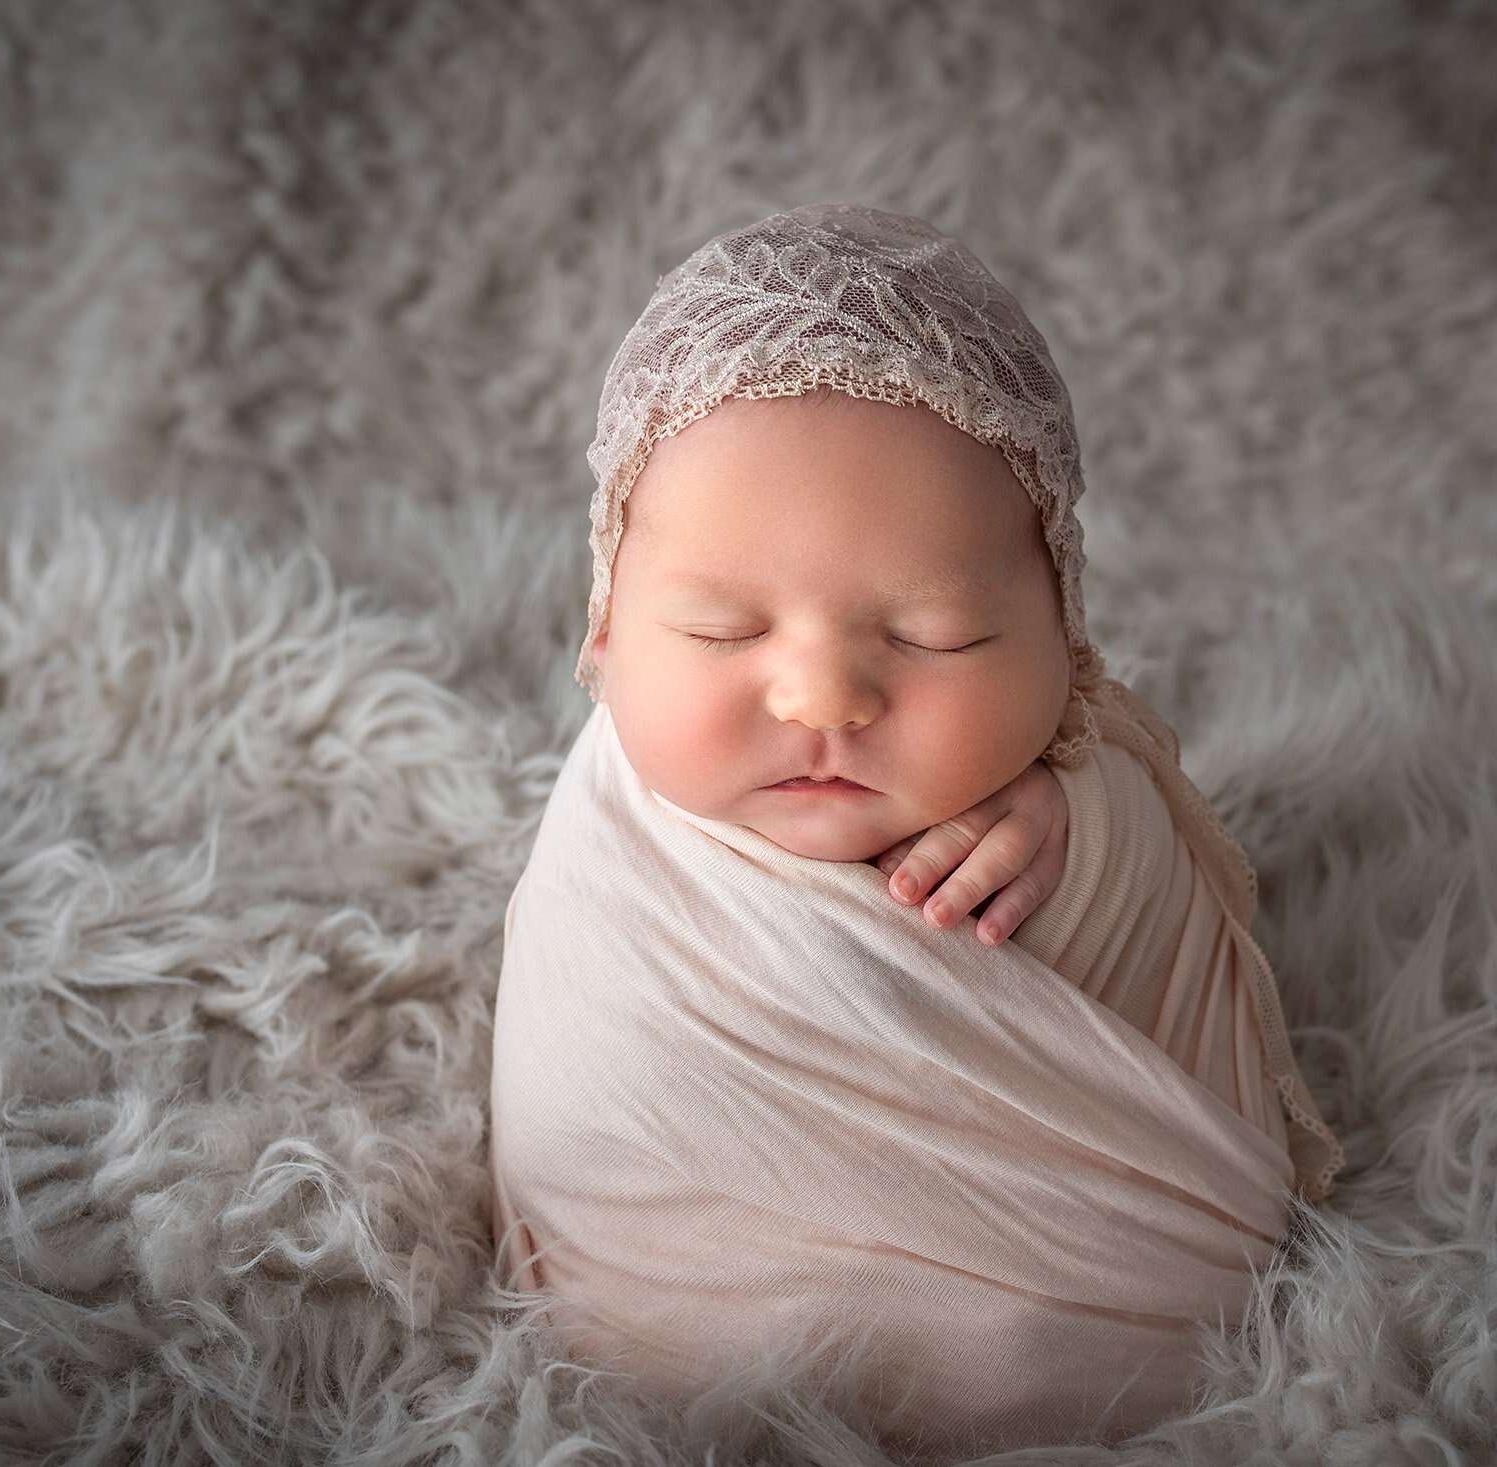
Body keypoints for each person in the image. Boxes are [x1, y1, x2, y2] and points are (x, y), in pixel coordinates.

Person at [489, 202, 1345, 1457]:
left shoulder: (1075, 785)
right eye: (722, 632)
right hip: (665, 1379)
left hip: (1120, 1352)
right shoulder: (610, 846)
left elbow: (1165, 928)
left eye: (935, 637)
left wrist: (1080, 822)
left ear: (1061, 636)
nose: (824, 699)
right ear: (607, 631)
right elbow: (576, 1082)